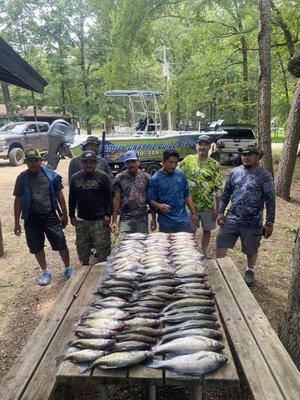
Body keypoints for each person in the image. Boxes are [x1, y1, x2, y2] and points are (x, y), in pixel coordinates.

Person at [216, 145, 276, 286]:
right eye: (244, 154)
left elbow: (270, 200)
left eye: (250, 154)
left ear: (258, 157)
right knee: (221, 242)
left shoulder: (265, 176)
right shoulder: (234, 172)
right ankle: (219, 268)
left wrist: (270, 223)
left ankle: (249, 270)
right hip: (232, 216)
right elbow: (226, 195)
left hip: (253, 220)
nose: (246, 157)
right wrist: (220, 212)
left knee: (251, 248)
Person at [13, 149, 74, 286]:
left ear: (40, 161)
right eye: (30, 161)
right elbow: (18, 200)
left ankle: (68, 267)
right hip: (31, 219)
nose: (33, 163)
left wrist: (64, 214)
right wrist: (16, 222)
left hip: (50, 216)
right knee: (36, 247)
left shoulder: (51, 175)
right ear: (26, 163)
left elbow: (60, 195)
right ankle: (45, 271)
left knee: (60, 243)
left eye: (36, 160)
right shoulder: (22, 178)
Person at [179, 134, 222, 257]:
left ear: (210, 147)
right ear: (196, 146)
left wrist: (217, 206)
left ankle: (204, 252)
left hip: (208, 205)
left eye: (206, 144)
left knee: (207, 230)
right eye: (200, 144)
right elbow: (177, 174)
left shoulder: (215, 165)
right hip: (190, 205)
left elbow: (218, 186)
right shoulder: (188, 160)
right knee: (190, 230)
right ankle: (191, 252)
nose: (202, 147)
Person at [69, 150, 112, 265]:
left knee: (103, 250)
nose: (89, 165)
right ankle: (84, 272)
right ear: (82, 163)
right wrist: (72, 215)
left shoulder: (103, 177)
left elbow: (109, 197)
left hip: (99, 220)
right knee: (82, 250)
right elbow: (72, 198)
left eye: (91, 162)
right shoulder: (75, 178)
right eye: (86, 162)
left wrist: (108, 214)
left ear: (95, 163)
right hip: (82, 220)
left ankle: (104, 275)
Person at [147, 149, 198, 233]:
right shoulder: (155, 179)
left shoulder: (181, 175)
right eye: (170, 162)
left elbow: (187, 195)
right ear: (163, 161)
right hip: (166, 223)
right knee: (168, 245)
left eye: (176, 163)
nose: (174, 166)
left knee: (184, 245)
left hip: (183, 221)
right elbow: (151, 200)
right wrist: (159, 207)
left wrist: (193, 213)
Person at [110, 150, 156, 234]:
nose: (131, 164)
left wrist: (153, 219)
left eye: (133, 161)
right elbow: (116, 199)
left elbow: (151, 199)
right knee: (125, 243)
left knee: (142, 243)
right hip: (125, 218)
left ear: (138, 162)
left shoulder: (146, 177)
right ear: (125, 164)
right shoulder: (119, 178)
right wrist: (114, 221)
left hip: (142, 218)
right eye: (128, 162)